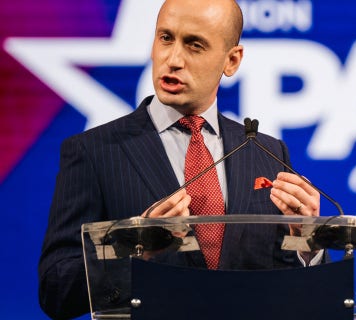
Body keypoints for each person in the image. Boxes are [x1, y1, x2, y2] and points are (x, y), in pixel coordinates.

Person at [38, 0, 322, 318]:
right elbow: (55, 289)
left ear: (231, 60)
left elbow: (292, 289)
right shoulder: (94, 151)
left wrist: (306, 246)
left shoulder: (267, 154)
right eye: (165, 38)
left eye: (194, 45)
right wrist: (133, 251)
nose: (172, 59)